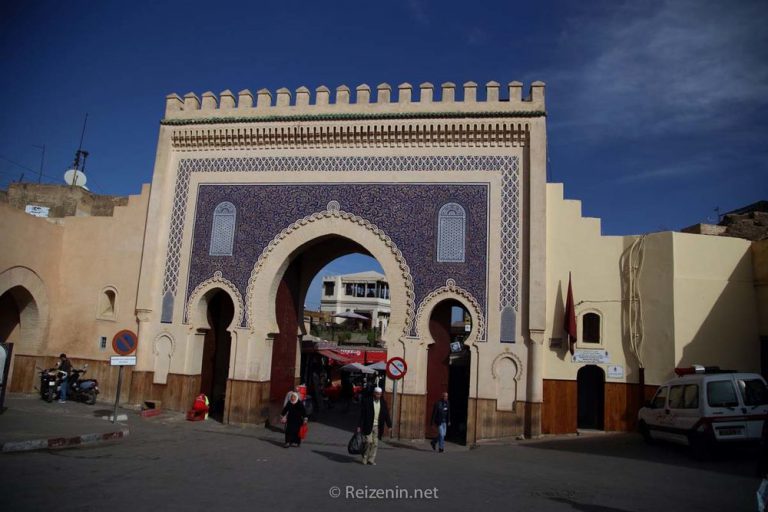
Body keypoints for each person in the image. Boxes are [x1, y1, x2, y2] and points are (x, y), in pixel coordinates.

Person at [357, 386, 391, 465]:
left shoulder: (383, 403)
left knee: (375, 443)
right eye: (377, 394)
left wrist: (389, 425)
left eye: (380, 394)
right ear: (374, 393)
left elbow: (386, 414)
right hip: (368, 425)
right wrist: (359, 426)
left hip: (377, 426)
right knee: (368, 442)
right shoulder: (367, 401)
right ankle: (365, 457)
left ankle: (371, 459)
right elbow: (362, 415)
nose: (378, 396)